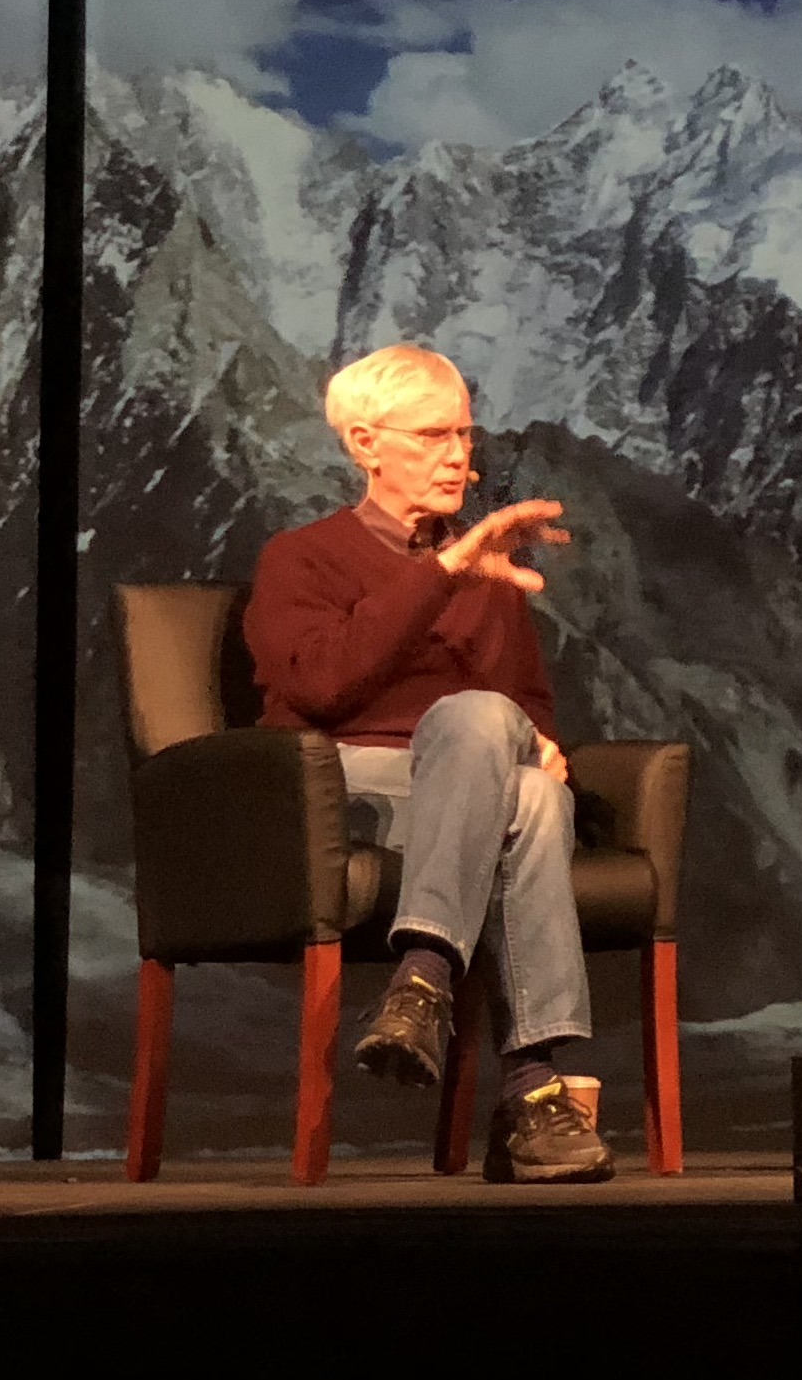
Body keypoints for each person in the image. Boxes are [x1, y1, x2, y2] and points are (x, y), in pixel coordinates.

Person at [242, 342, 608, 1184]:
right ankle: (534, 1091)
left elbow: (532, 707)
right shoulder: (301, 558)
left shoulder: (489, 575)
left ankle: (424, 983)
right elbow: (322, 685)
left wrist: (546, 748)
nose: (459, 458)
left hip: (466, 796)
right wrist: (441, 574)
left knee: (522, 776)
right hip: (345, 790)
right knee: (502, 757)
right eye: (433, 436)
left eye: (466, 437)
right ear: (366, 444)